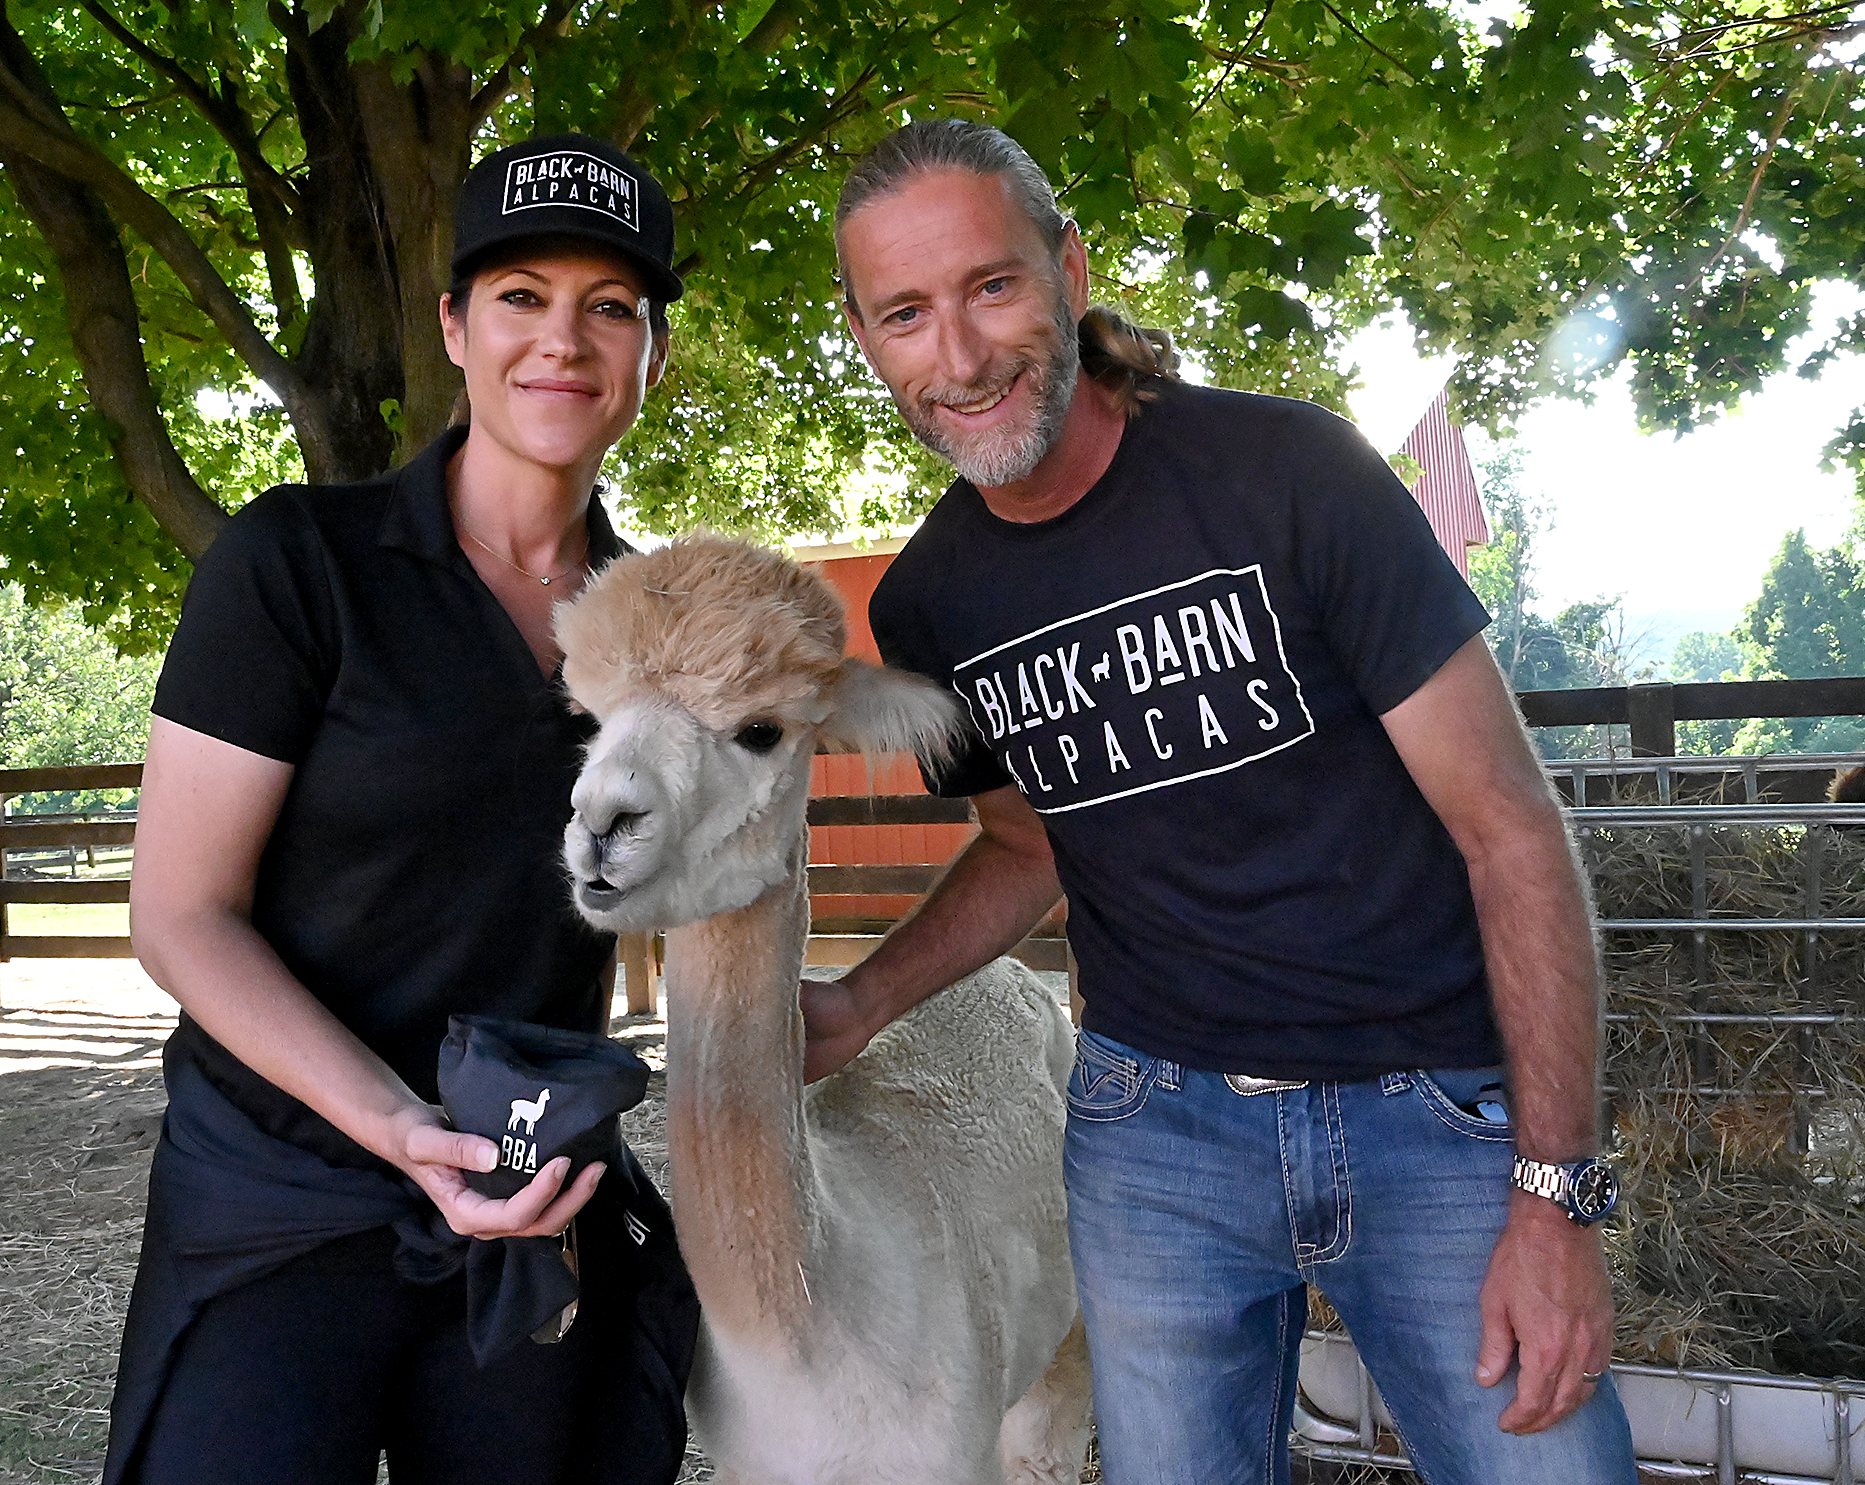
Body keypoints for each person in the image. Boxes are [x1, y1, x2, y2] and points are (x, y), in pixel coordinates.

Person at [807, 119, 1637, 1485]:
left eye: (992, 288)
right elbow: (1027, 845)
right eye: (905, 313)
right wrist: (856, 1002)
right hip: (1155, 1143)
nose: (955, 357)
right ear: (866, 336)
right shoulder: (931, 603)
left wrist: (1556, 1193)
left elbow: (1510, 830)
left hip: (1429, 1115)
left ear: (1068, 271)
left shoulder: (1290, 476)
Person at [101, 134, 695, 1485]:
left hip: (526, 1198)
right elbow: (182, 912)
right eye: (522, 297)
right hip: (282, 1186)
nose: (566, 339)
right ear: (454, 324)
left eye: (612, 306)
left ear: (654, 353)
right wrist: (393, 1125)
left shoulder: (661, 635)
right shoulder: (297, 565)